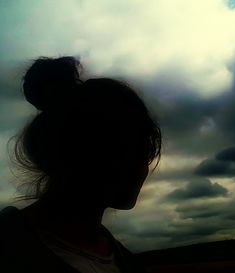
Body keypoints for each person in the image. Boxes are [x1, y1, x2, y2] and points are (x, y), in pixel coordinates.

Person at [0, 56, 162, 273]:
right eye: (131, 150)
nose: (142, 168)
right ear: (76, 153)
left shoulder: (122, 259)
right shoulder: (9, 248)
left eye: (145, 153)